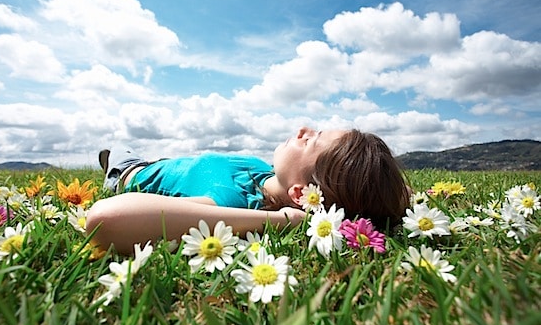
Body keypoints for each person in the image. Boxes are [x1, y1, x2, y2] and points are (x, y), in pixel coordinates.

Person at [86, 127, 410, 254]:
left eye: (311, 140)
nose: (302, 130)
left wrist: (283, 220)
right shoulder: (267, 174)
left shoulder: (229, 201)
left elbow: (105, 219)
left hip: (131, 172)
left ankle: (111, 164)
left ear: (300, 195)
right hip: (166, 161)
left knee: (116, 150)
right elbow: (385, 190)